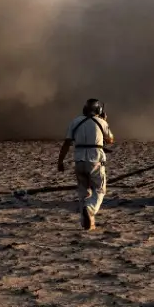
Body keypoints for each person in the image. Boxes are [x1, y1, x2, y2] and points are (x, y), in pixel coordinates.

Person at [57, 98, 115, 230]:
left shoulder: (75, 122)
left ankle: (86, 223)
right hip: (95, 161)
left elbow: (66, 143)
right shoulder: (101, 122)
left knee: (83, 192)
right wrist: (105, 121)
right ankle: (90, 209)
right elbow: (110, 139)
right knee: (100, 190)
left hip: (79, 161)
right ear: (99, 110)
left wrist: (60, 161)